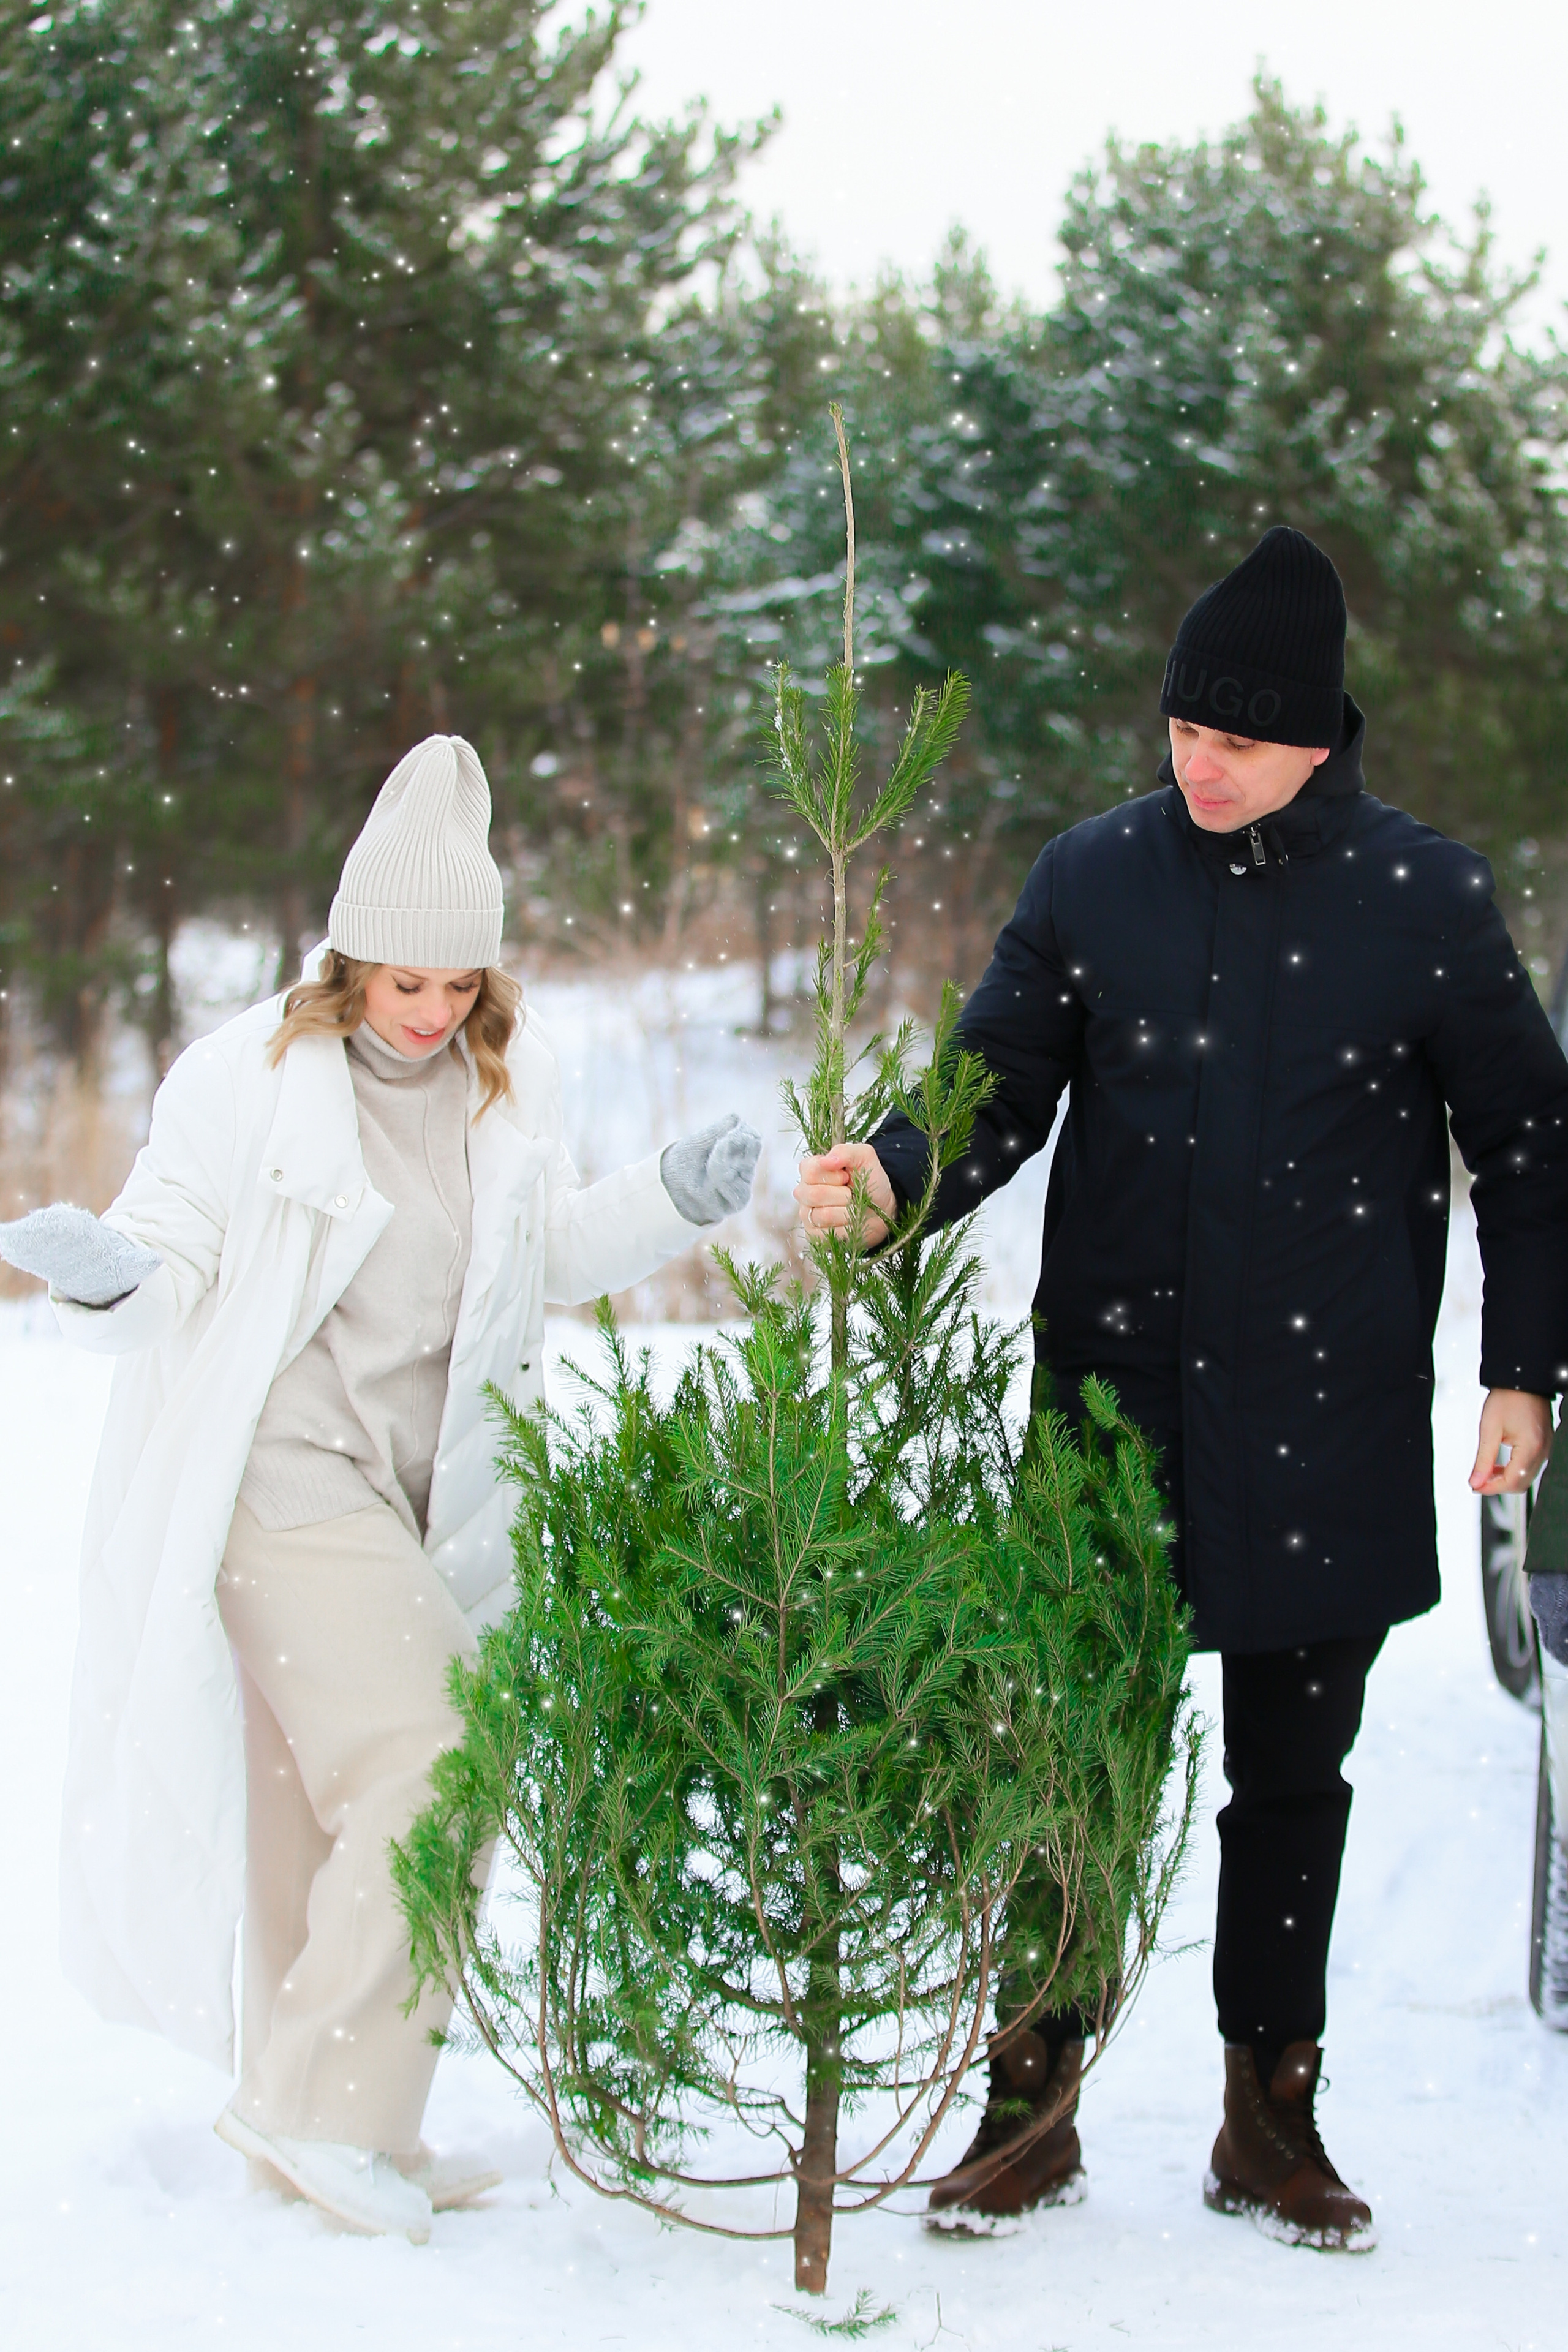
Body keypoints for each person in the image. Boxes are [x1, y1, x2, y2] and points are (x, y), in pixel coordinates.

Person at [794, 528, 1568, 2250]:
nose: (1197, 763)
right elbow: (989, 1082)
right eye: (1180, 731)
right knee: (1080, 1753)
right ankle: (1031, 2100)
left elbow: (1529, 1144)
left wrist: (1525, 1369)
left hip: (1333, 1412)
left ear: (1317, 737)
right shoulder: (1095, 878)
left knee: (1295, 1779)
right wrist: (897, 1178)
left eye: (1234, 738)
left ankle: (1268, 2118)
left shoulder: (1425, 903)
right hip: (1115, 1414)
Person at [0, 734, 761, 2244]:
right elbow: (173, 1257)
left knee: (328, 1805)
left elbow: (544, 1252)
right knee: (442, 1751)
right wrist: (109, 1279)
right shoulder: (246, 1078)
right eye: (402, 983)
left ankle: (339, 2126)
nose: (428, 1014)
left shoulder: (503, 1079)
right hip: (282, 1482)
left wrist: (673, 1196)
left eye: (456, 985)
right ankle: (312, 2107)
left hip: (422, 1495)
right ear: (349, 961)